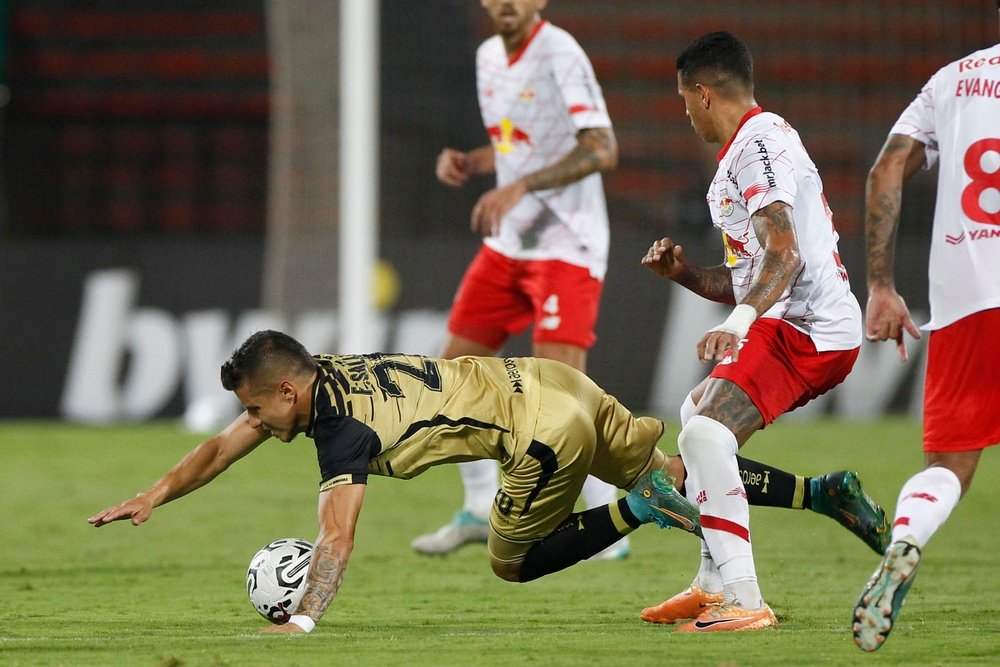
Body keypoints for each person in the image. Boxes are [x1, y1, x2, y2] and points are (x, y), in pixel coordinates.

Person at [90, 330, 871, 634]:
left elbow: (337, 537)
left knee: (510, 559)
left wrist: (299, 622)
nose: (251, 419)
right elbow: (223, 448)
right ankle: (821, 493)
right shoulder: (321, 375)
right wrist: (155, 492)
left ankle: (634, 511)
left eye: (255, 406)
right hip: (552, 379)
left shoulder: (338, 428)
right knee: (682, 469)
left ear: (287, 393)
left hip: (538, 433)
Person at [639, 32, 864, 632]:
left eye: (685, 100)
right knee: (695, 420)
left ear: (704, 93)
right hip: (788, 320)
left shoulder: (759, 144)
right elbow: (750, 275)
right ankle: (712, 583)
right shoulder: (742, 154)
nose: (685, 114)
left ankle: (745, 597)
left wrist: (737, 326)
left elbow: (785, 259)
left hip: (808, 327)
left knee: (707, 436)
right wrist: (684, 274)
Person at [415, 0, 626, 558]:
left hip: (566, 242)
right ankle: (478, 508)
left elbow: (603, 148)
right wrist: (473, 163)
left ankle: (602, 519)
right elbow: (519, 144)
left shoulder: (560, 53)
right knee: (455, 375)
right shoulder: (488, 56)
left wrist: (520, 188)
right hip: (509, 244)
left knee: (558, 394)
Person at [852, 3, 1000, 652]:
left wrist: (881, 285)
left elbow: (885, 169)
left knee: (947, 466)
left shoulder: (953, 79)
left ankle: (907, 534)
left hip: (967, 298)